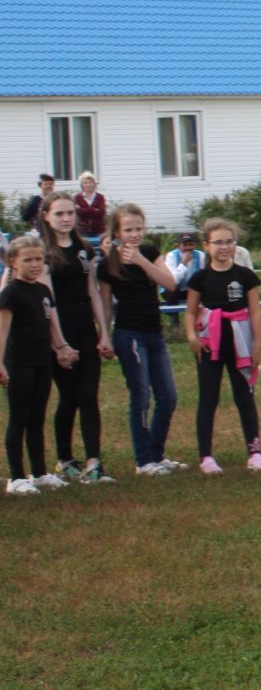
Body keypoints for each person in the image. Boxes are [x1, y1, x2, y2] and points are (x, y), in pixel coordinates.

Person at [100, 204, 185, 476]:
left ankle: (156, 454)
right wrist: (104, 334)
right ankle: (143, 460)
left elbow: (170, 283)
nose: (134, 234)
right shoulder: (107, 264)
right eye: (128, 230)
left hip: (154, 333)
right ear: (117, 232)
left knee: (168, 396)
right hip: (129, 334)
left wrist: (140, 260)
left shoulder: (149, 253)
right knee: (141, 395)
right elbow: (104, 305)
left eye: (138, 229)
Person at [37, 193, 113, 485]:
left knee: (89, 396)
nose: (66, 218)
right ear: (46, 216)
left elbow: (92, 291)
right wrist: (59, 343)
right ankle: (64, 459)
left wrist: (103, 331)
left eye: (70, 213)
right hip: (59, 329)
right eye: (59, 214)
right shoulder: (44, 252)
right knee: (69, 397)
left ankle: (94, 462)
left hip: (85, 328)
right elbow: (49, 300)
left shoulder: (84, 249)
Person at [184, 218, 261, 475]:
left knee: (245, 396)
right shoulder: (200, 278)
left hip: (240, 343)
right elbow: (190, 312)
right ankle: (206, 456)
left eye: (229, 242)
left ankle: (254, 451)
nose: (224, 247)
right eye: (218, 242)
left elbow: (255, 312)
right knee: (209, 398)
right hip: (211, 345)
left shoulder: (245, 276)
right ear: (206, 245)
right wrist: (191, 338)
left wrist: (256, 345)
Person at [2, 235, 79, 495]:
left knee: (37, 418)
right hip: (18, 362)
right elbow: (2, 332)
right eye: (28, 260)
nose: (35, 265)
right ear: (12, 262)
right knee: (19, 418)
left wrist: (61, 348)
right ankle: (16, 477)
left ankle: (40, 472)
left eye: (39, 259)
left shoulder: (43, 291)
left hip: (41, 361)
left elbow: (49, 327)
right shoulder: (11, 293)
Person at [163, 232, 204, 307]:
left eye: (191, 244)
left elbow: (204, 276)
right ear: (178, 246)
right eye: (185, 245)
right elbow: (173, 281)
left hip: (191, 290)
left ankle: (201, 314)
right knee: (172, 288)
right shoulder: (171, 256)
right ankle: (174, 316)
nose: (188, 247)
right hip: (174, 291)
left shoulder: (200, 255)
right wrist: (184, 263)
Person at [73, 173, 107, 244]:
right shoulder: (77, 197)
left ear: (94, 184)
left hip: (99, 231)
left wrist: (84, 210)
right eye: (85, 183)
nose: (88, 185)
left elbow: (101, 212)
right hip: (83, 231)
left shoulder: (100, 197)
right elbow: (79, 212)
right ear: (82, 185)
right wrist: (94, 210)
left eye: (90, 182)